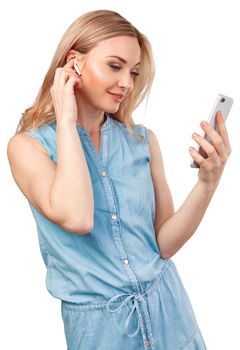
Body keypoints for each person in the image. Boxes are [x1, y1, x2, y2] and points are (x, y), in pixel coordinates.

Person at [7, 9, 231, 350]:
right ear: (74, 62)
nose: (127, 83)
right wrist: (67, 121)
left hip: (170, 313)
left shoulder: (142, 140)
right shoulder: (28, 147)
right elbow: (77, 217)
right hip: (102, 332)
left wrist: (207, 183)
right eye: (115, 66)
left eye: (134, 71)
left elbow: (164, 245)